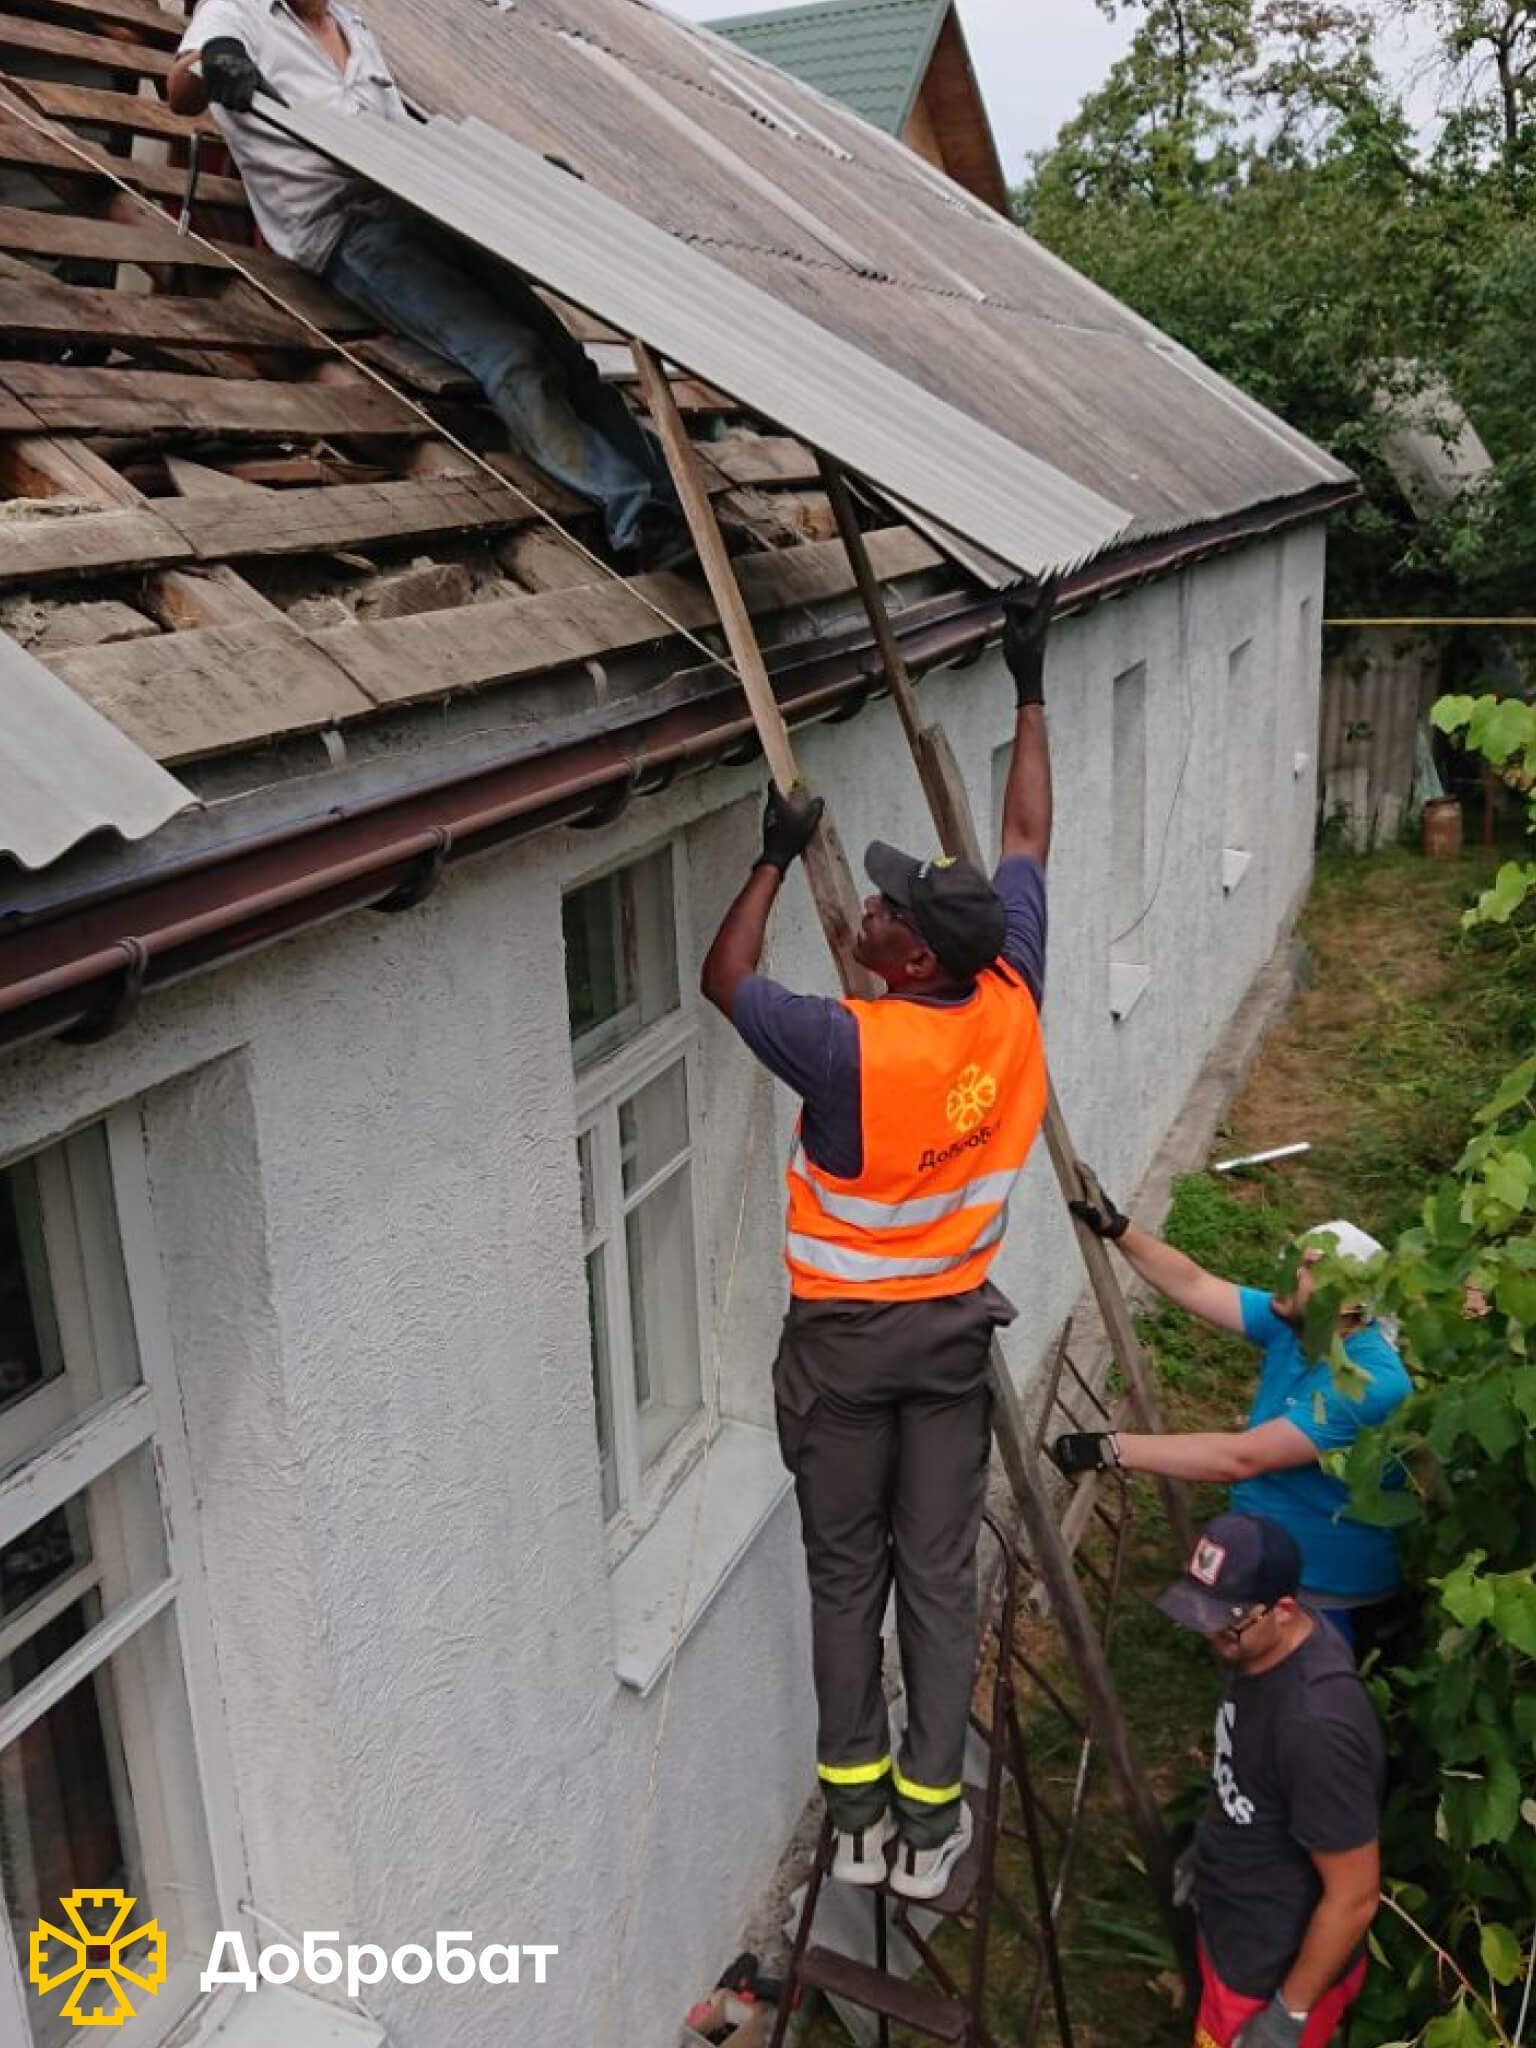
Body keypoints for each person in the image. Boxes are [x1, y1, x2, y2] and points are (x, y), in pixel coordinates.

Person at [700, 581, 1056, 1900]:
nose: (880, 907)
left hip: (844, 1359)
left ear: (907, 962)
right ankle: (928, 1824)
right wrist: (1031, 679)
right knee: (939, 1581)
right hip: (949, 1347)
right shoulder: (1008, 992)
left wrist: (775, 854)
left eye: (890, 911)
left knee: (844, 1573)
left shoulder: (850, 1045)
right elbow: (1026, 834)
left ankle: (854, 1819)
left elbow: (725, 978)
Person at [167, 0, 689, 568]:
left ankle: (681, 507)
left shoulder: (351, 23)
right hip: (349, 229)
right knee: (510, 355)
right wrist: (219, 61)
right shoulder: (237, 11)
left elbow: (403, 133)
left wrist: (518, 175)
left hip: (423, 204)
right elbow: (181, 87)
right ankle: (639, 521)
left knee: (569, 356)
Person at [1051, 1185, 1411, 1645]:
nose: (1288, 1270)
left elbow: (1240, 1459)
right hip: (1271, 1563)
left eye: (1308, 1268)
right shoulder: (1298, 1325)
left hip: (1325, 1591)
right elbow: (1197, 1284)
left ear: (1350, 1303)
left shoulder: (1368, 1382)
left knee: (1298, 1695)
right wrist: (1121, 1230)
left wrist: (1113, 1447)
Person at [1158, 1513, 1383, 2048]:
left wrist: (1287, 2016)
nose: (1214, 1637)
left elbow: (1354, 1897)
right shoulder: (1267, 1648)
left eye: (1227, 1625)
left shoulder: (1316, 1730)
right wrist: (1210, 1846)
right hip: (1235, 1923)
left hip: (1266, 1971)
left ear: (1282, 1610)